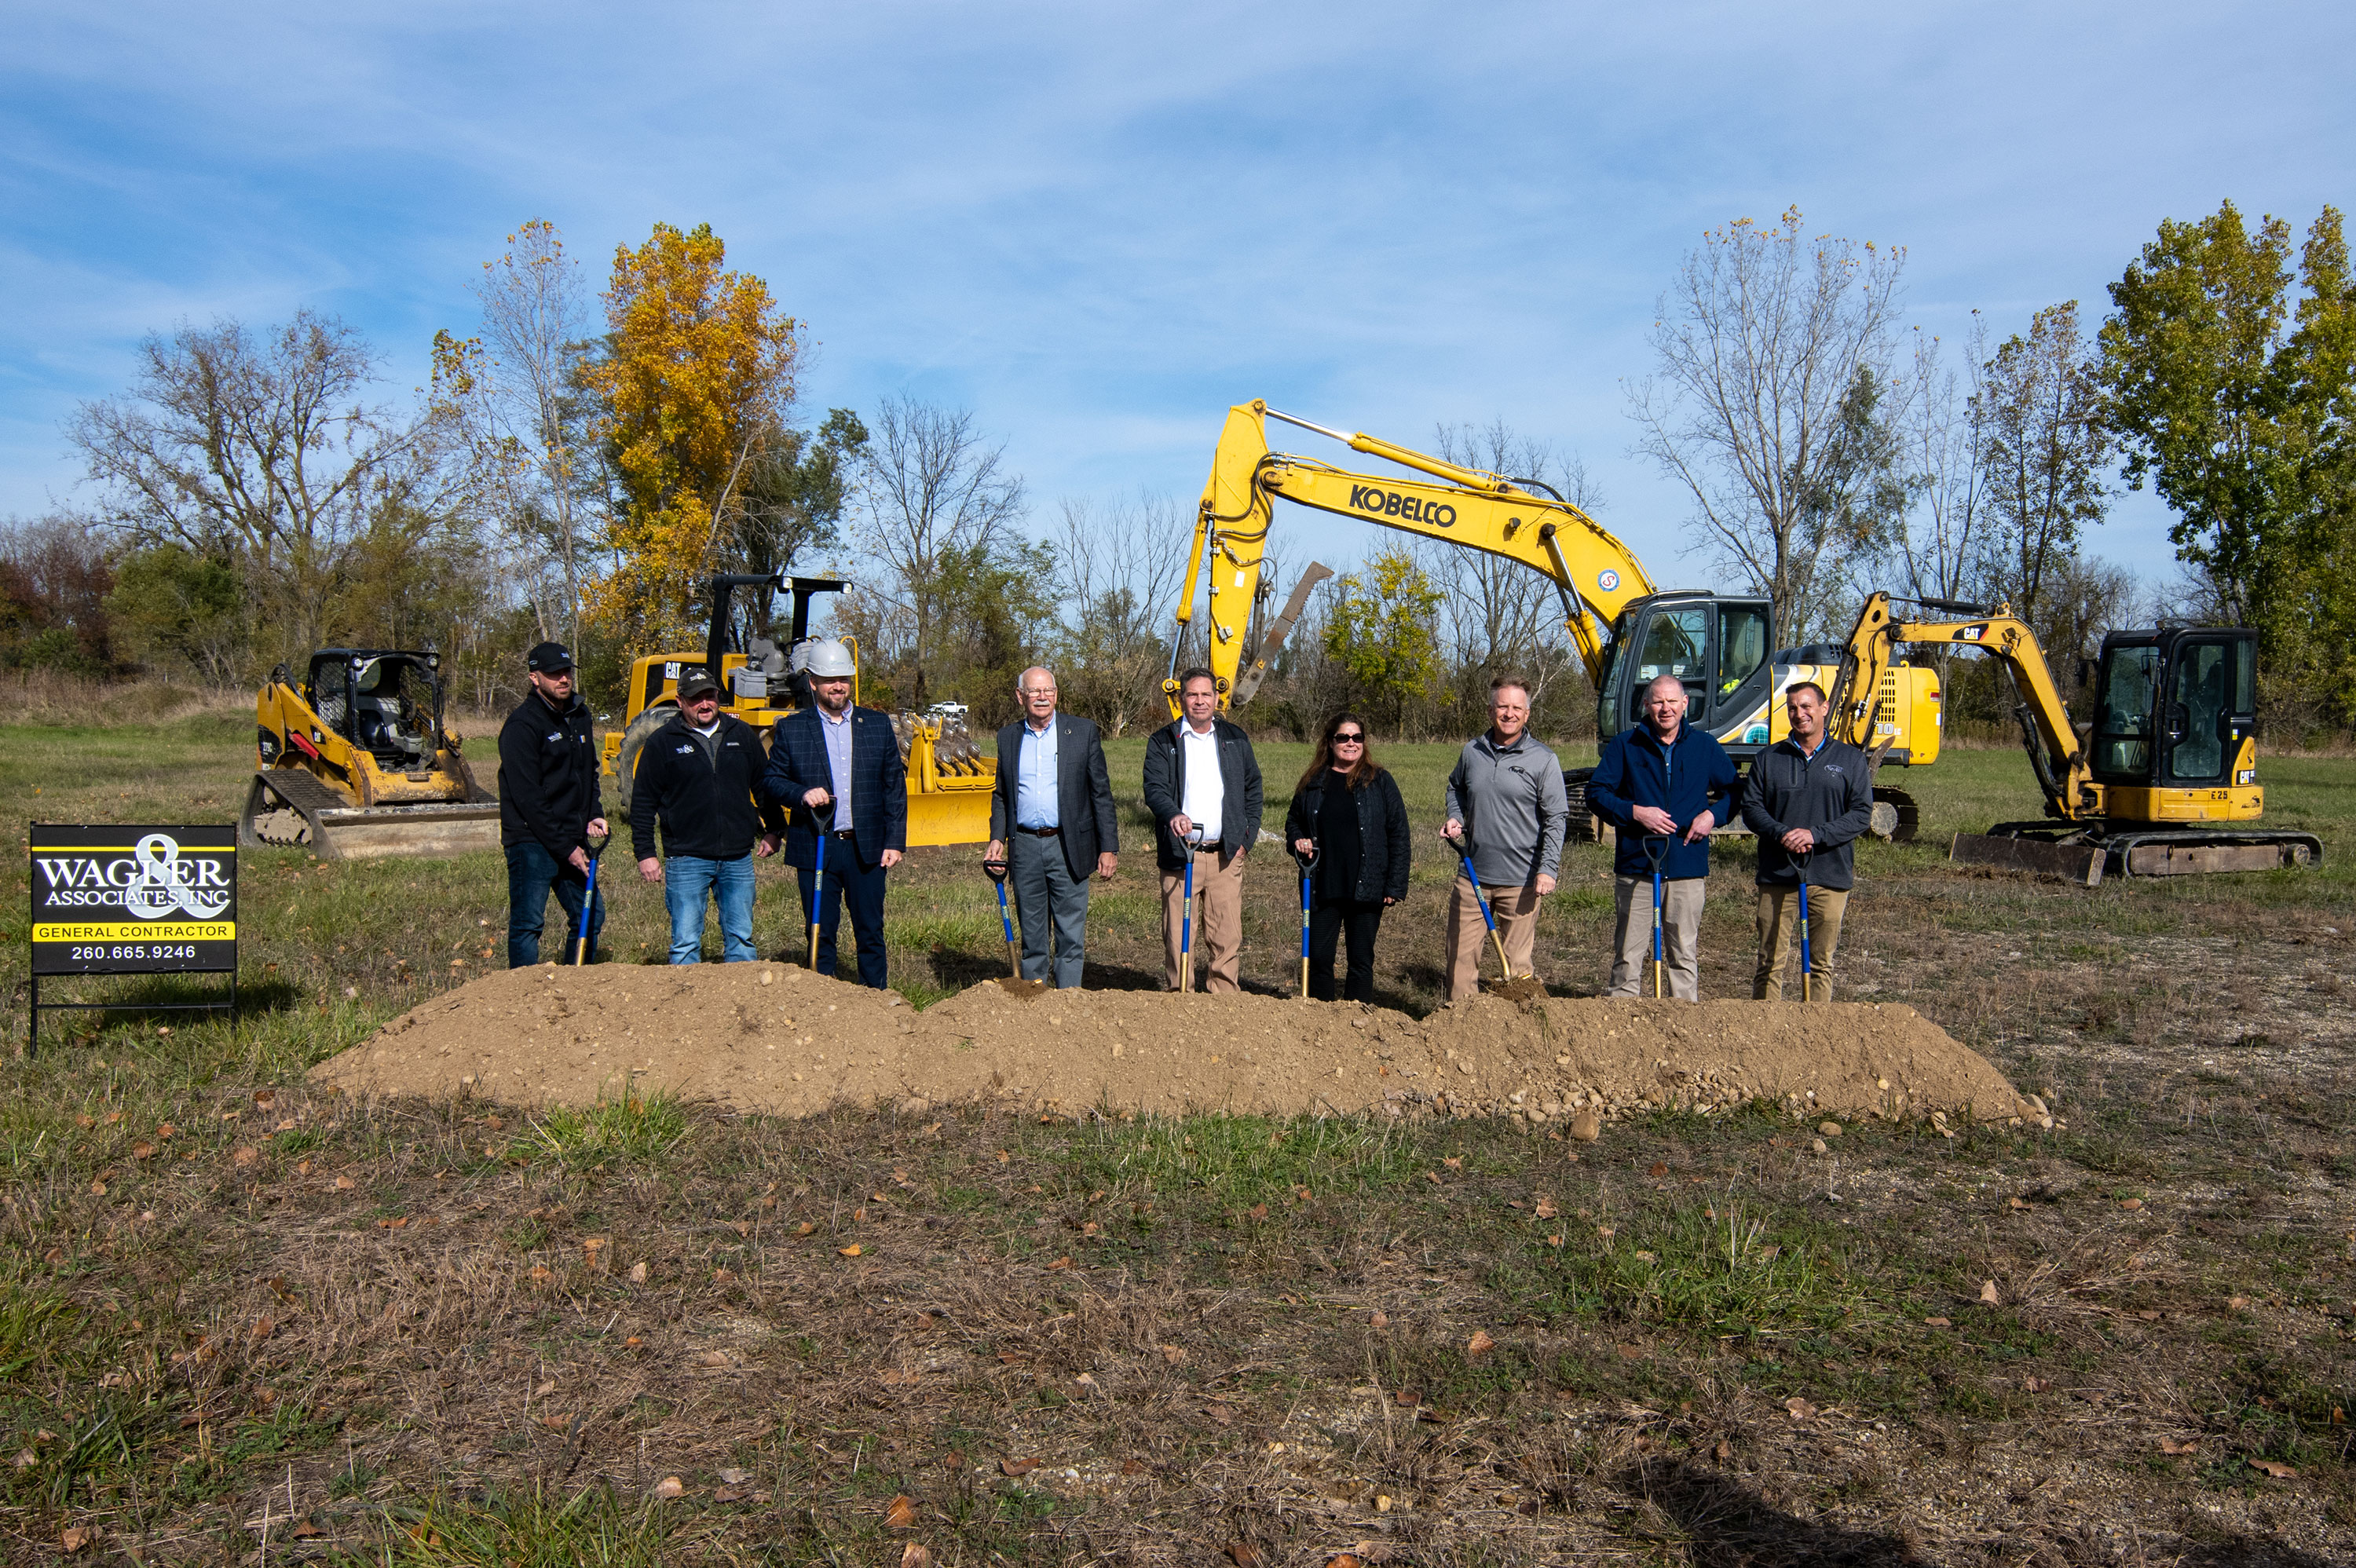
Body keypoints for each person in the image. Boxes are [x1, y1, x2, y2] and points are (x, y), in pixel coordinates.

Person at [762, 638, 907, 987]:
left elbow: (893, 787)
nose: (838, 686)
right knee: (820, 931)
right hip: (816, 845)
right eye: (829, 680)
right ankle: (822, 1001)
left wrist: (894, 841)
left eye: (843, 678)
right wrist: (800, 794)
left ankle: (875, 999)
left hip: (866, 848)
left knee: (870, 931)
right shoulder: (793, 729)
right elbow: (772, 780)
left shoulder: (877, 725)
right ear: (813, 682)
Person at [1589, 673, 1738, 1000]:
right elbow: (1596, 793)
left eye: (1672, 701)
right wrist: (1635, 812)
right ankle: (1622, 1016)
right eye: (1658, 701)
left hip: (1686, 865)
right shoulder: (1625, 745)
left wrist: (1712, 816)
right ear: (1646, 705)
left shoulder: (1704, 746)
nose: (1665, 708)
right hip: (1638, 865)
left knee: (1683, 953)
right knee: (1628, 954)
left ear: (1685, 703)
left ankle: (1682, 1019)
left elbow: (1735, 792)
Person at [630, 667, 786, 964]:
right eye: (695, 699)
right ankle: (686, 993)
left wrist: (775, 828)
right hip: (687, 857)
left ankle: (741, 992)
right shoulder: (663, 742)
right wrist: (645, 853)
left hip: (737, 857)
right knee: (685, 943)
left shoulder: (741, 734)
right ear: (680, 701)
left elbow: (763, 785)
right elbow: (643, 802)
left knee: (741, 940)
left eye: (710, 696)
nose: (704, 704)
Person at [983, 666, 1118, 989]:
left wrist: (1108, 847)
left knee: (1070, 932)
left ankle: (1068, 997)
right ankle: (1035, 997)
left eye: (1048, 691)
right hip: (1025, 846)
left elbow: (1100, 793)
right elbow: (1001, 794)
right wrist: (997, 837)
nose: (1042, 697)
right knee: (1032, 932)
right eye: (1034, 691)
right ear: (1021, 697)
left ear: (1056, 695)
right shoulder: (1008, 737)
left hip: (1068, 844)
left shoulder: (1082, 731)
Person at [1740, 681, 1875, 1000]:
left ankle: (1815, 1027)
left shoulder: (1850, 759)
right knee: (1769, 963)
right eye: (1792, 708)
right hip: (1778, 875)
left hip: (1830, 876)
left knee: (1821, 965)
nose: (1799, 714)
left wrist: (1815, 835)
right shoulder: (1769, 758)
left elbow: (1860, 814)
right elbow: (1752, 809)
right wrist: (1781, 833)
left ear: (1824, 708)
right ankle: (1766, 1024)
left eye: (1806, 706)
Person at [1441, 675, 1569, 1000]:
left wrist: (1548, 869)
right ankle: (1461, 1021)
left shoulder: (1543, 759)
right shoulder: (1472, 751)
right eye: (1502, 707)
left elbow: (1556, 818)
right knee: (1460, 961)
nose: (1509, 714)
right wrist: (1456, 817)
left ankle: (1519, 1024)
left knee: (1516, 966)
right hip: (1473, 876)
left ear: (1527, 714)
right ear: (1490, 711)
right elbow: (1456, 787)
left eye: (1516, 708)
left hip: (1521, 881)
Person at [1141, 667, 1263, 992]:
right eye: (1192, 695)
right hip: (1182, 854)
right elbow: (1154, 789)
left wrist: (1246, 838)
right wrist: (1172, 814)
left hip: (1225, 854)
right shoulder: (1163, 740)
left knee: (1226, 934)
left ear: (1217, 698)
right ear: (1181, 699)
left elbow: (1253, 787)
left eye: (1206, 694)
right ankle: (1181, 995)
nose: (1199, 701)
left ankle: (1223, 998)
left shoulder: (1235, 738)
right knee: (1178, 934)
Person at [1285, 711, 1410, 1002]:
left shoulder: (1380, 781)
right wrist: (1297, 840)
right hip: (1321, 884)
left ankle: (1357, 1018)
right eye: (1343, 737)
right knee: (1318, 958)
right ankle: (1321, 1018)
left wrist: (1394, 885)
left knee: (1361, 960)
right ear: (1330, 742)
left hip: (1367, 886)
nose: (1351, 743)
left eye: (1357, 737)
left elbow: (1399, 833)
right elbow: (1293, 821)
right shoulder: (1313, 781)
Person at [498, 641, 608, 967]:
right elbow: (528, 798)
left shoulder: (580, 715)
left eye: (566, 672)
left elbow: (589, 772)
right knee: (529, 923)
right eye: (554, 674)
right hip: (531, 839)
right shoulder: (522, 725)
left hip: (571, 835)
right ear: (535, 678)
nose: (563, 679)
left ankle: (575, 982)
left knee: (590, 915)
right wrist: (567, 848)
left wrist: (593, 813)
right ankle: (523, 989)